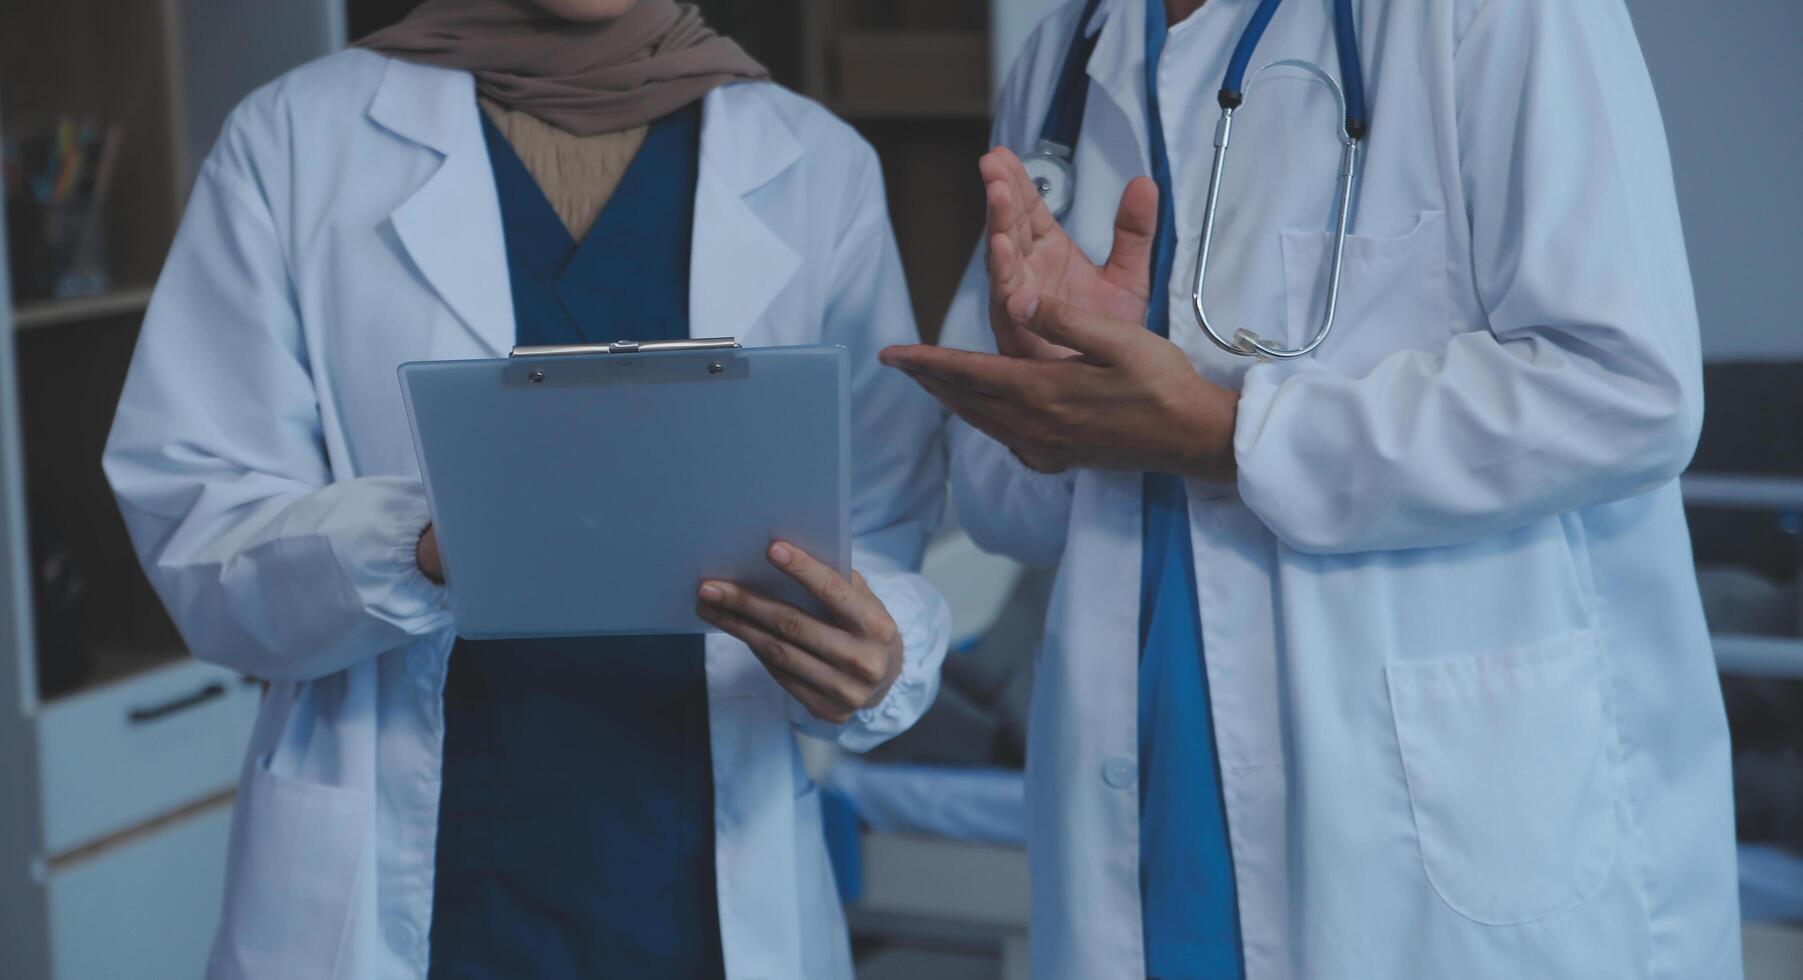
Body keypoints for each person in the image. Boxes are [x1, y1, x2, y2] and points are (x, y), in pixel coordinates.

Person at [881, 0, 1740, 977]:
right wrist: (1053, 405)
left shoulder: (1496, 15)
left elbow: (1630, 387)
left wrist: (1226, 431)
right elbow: (998, 503)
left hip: (1439, 838)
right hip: (1142, 812)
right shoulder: (1065, 57)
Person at [102, 1, 949, 977]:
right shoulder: (294, 140)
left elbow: (876, 529)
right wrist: (421, 541)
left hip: (696, 889)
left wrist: (879, 655)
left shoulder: (815, 165)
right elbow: (196, 524)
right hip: (426, 887)